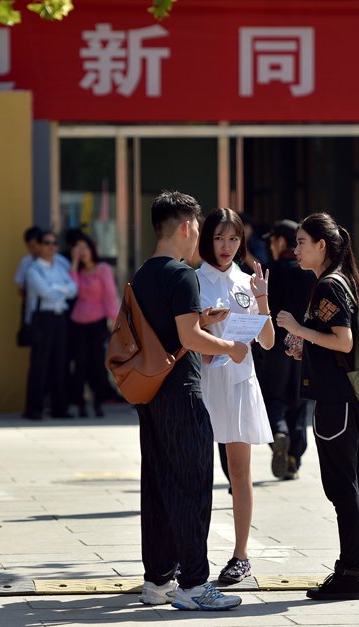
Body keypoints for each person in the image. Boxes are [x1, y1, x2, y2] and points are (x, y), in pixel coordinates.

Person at [131, 191, 247, 611]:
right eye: (198, 226)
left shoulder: (144, 273)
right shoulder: (182, 275)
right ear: (185, 227)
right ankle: (195, 584)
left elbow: (170, 328)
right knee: (193, 485)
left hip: (151, 393)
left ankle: (158, 580)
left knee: (158, 485)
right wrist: (229, 345)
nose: (198, 234)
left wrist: (202, 320)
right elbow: (188, 339)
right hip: (182, 392)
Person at [276, 212, 359, 601]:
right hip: (350, 400)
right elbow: (334, 341)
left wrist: (297, 329)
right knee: (355, 486)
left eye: (301, 242)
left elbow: (345, 341)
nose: (294, 248)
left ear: (322, 246)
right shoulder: (341, 281)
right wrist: (307, 342)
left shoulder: (329, 286)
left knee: (342, 489)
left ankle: (350, 574)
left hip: (337, 403)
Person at [196, 208, 274, 585]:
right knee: (195, 472)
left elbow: (268, 341)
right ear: (206, 239)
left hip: (241, 382)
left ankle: (240, 555)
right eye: (219, 238)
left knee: (240, 472)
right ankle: (190, 556)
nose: (226, 247)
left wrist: (262, 301)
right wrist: (204, 324)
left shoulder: (247, 281)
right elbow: (184, 336)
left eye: (233, 239)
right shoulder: (194, 279)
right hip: (202, 382)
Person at [257, 219, 314, 480]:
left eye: (272, 240)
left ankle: (279, 432)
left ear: (280, 241)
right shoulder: (310, 272)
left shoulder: (268, 272)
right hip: (306, 346)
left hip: (274, 346)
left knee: (273, 397)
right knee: (300, 401)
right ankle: (294, 459)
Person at [23, 231, 78, 420]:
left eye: (54, 243)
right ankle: (34, 408)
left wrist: (58, 288)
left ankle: (59, 407)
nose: (51, 247)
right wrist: (60, 289)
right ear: (38, 246)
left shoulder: (60, 267)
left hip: (60, 318)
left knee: (60, 363)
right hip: (42, 319)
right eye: (46, 243)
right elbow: (46, 293)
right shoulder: (33, 269)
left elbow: (73, 289)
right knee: (40, 364)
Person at [68, 231, 119, 417]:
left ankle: (98, 402)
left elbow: (110, 296)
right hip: (77, 322)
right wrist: (74, 263)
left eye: (84, 247)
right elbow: (72, 290)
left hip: (97, 322)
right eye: (78, 249)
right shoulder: (77, 272)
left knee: (97, 364)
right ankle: (80, 403)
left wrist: (113, 321)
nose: (82, 251)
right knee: (80, 364)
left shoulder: (102, 269)